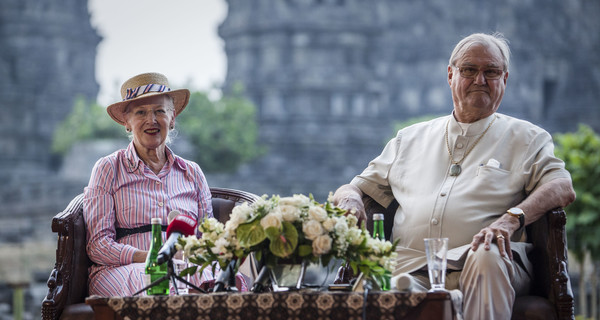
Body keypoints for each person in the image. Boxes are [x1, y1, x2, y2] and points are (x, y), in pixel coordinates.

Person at [332, 33, 575, 319]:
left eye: (491, 72)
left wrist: (511, 220)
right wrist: (349, 198)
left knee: (487, 253)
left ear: (504, 80)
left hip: (488, 264)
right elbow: (355, 187)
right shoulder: (409, 139)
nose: (480, 79)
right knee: (378, 281)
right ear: (451, 75)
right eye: (469, 70)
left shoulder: (528, 138)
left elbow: (562, 186)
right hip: (412, 267)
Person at [83, 72, 246, 296]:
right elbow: (98, 246)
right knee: (158, 277)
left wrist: (191, 257)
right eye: (141, 112)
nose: (151, 120)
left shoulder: (192, 173)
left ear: (172, 118)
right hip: (122, 269)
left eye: (160, 111)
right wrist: (152, 255)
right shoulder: (109, 168)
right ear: (127, 122)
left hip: (184, 267)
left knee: (224, 280)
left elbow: (208, 239)